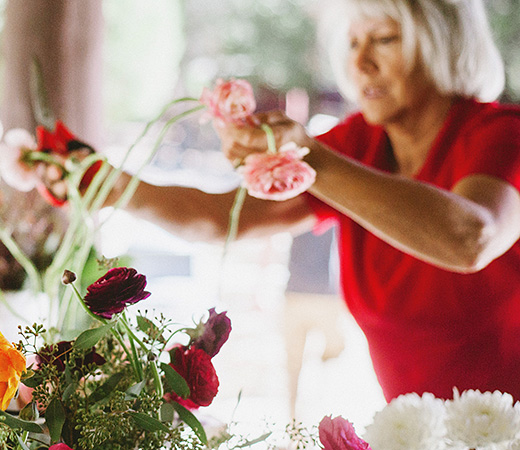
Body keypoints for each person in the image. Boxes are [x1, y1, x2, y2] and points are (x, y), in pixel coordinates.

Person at [116, 0, 520, 402]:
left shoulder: (501, 134)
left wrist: (308, 158)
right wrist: (106, 185)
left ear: (444, 44)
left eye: (384, 40)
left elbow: (470, 238)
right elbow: (223, 218)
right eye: (353, 43)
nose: (360, 63)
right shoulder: (358, 144)